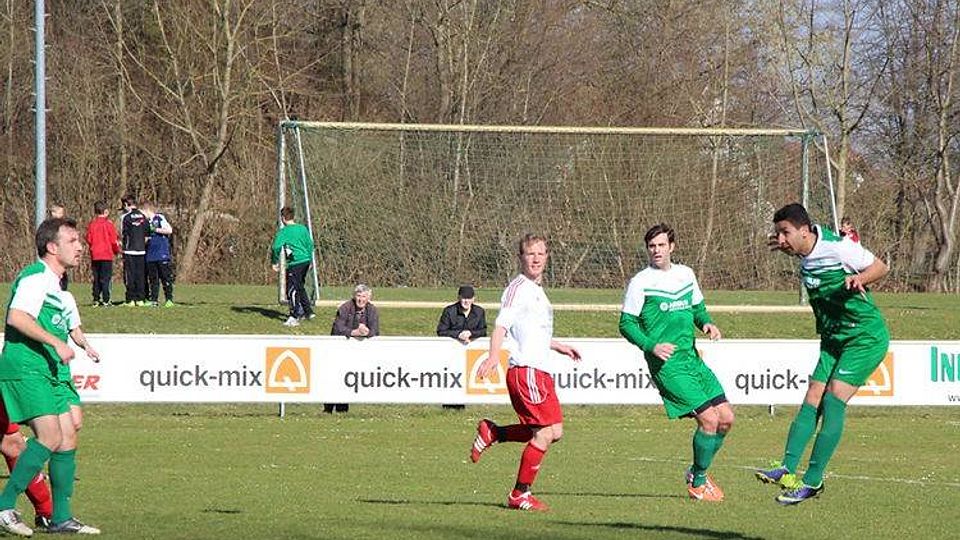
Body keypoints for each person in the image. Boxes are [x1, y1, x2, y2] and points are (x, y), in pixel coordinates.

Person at [756, 203, 890, 505]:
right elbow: (806, 254)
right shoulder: (806, 251)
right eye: (778, 234)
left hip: (864, 337)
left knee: (832, 399)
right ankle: (786, 468)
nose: (780, 240)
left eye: (785, 233)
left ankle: (813, 481)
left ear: (805, 230)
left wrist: (861, 279)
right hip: (833, 338)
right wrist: (789, 247)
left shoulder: (839, 249)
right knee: (812, 397)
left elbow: (881, 266)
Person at [0, 218, 100, 535]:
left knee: (68, 432)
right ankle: (4, 506)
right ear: (52, 247)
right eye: (73, 241)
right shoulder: (35, 277)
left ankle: (60, 517)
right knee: (50, 437)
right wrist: (57, 342)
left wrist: (77, 345)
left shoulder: (57, 287)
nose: (81, 247)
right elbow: (16, 317)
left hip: (45, 368)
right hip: (26, 367)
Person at [618, 223, 731, 502]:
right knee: (709, 420)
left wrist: (707, 323)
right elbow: (626, 323)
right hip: (668, 366)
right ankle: (698, 484)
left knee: (726, 419)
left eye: (660, 245)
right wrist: (650, 345)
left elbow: (697, 309)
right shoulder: (641, 281)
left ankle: (696, 472)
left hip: (692, 360)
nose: (656, 250)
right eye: (651, 246)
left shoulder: (686, 274)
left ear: (672, 247)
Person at [470, 233, 582, 511]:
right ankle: (520, 494)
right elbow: (501, 326)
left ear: (547, 257)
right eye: (530, 254)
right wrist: (494, 356)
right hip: (526, 370)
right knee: (543, 433)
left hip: (540, 369)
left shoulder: (537, 290)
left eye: (540, 254)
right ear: (521, 258)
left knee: (554, 431)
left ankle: (494, 432)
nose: (535, 259)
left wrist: (557, 346)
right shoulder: (518, 288)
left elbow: (530, 332)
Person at [326, 284, 380, 413]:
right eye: (359, 296)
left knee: (349, 380)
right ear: (354, 296)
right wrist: (354, 332)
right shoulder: (345, 308)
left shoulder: (372, 310)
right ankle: (328, 408)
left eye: (364, 297)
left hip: (359, 353)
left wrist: (366, 332)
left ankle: (343, 409)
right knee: (336, 379)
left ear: (369, 298)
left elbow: (375, 330)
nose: (361, 299)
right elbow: (337, 329)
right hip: (340, 350)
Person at [436, 284, 487, 409]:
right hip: (452, 354)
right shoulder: (449, 311)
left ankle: (462, 404)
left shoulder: (479, 312)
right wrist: (458, 334)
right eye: (464, 298)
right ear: (459, 298)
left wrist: (471, 333)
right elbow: (441, 331)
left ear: (474, 299)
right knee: (451, 379)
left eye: (469, 298)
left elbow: (483, 331)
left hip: (470, 355)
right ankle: (448, 405)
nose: (466, 301)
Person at [270, 206, 315, 327]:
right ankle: (308, 312)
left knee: (291, 289)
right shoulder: (302, 228)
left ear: (283, 218)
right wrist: (310, 260)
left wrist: (274, 262)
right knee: (300, 286)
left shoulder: (284, 232)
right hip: (305, 261)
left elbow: (275, 247)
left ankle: (294, 316)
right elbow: (310, 245)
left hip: (295, 263)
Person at [85, 201, 121, 306]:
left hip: (95, 255)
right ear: (106, 212)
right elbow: (113, 240)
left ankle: (96, 299)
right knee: (106, 278)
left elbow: (89, 239)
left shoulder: (92, 224)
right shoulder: (108, 225)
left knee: (96, 278)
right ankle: (106, 299)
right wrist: (116, 251)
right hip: (106, 255)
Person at [142, 201, 176, 307]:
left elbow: (169, 230)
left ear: (147, 210)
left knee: (165, 277)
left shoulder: (159, 218)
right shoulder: (145, 222)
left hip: (162, 253)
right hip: (150, 255)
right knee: (153, 279)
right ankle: (154, 300)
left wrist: (156, 229)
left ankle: (169, 299)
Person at [120, 195, 149, 306]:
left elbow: (123, 233)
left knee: (130, 275)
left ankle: (130, 299)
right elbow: (147, 235)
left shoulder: (125, 217)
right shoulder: (143, 216)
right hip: (141, 250)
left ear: (126, 204)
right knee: (140, 275)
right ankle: (140, 299)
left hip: (129, 250)